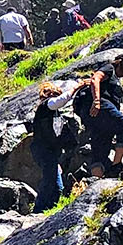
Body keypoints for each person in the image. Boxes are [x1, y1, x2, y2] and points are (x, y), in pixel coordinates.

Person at [73, 52, 123, 176]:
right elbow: (96, 78)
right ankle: (116, 166)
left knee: (100, 150)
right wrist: (97, 101)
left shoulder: (114, 78)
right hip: (100, 107)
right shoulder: (109, 68)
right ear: (121, 62)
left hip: (97, 118)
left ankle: (96, 181)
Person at [29, 79, 80, 211]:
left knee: (56, 183)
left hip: (49, 152)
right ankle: (39, 209)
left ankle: (49, 208)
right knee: (51, 182)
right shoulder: (45, 106)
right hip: (43, 150)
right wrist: (75, 88)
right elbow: (58, 102)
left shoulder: (54, 114)